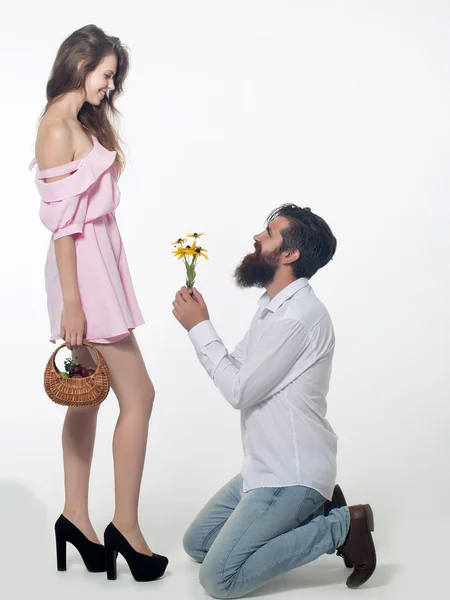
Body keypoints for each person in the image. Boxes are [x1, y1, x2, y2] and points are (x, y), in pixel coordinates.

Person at [172, 204, 376, 597]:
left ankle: (342, 526)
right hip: (263, 469)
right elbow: (238, 372)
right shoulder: (271, 308)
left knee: (219, 580)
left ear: (289, 255)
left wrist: (199, 327)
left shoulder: (297, 318)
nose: (256, 237)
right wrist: (201, 327)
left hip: (289, 473)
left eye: (269, 232)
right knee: (197, 544)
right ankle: (318, 510)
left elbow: (239, 391)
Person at [30, 24, 168, 582]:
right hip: (83, 275)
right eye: (107, 74)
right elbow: (63, 229)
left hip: (97, 265)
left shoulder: (79, 123)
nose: (110, 86)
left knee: (86, 400)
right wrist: (73, 302)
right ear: (80, 64)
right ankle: (126, 530)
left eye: (113, 78)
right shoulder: (56, 128)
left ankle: (75, 518)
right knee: (139, 396)